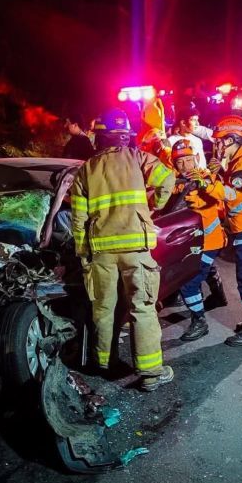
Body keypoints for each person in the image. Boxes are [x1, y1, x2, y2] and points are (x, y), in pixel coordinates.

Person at [71, 108, 175, 392]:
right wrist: (153, 207)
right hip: (135, 248)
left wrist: (83, 253)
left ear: (100, 137)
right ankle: (150, 373)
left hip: (101, 251)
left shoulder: (85, 169)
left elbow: (78, 219)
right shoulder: (139, 158)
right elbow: (167, 180)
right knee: (142, 307)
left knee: (103, 308)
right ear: (125, 136)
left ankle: (104, 363)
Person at [199, 115, 242, 346]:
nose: (217, 145)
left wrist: (208, 184)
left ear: (230, 140)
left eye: (220, 141)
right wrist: (220, 171)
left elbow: (231, 194)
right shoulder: (239, 159)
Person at [170, 141, 228, 341]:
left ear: (196, 158)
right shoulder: (178, 182)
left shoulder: (206, 178)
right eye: (180, 162)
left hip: (209, 241)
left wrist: (205, 184)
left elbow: (219, 196)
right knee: (206, 268)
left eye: (188, 160)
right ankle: (218, 295)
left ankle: (199, 322)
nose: (185, 165)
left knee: (189, 282)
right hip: (197, 242)